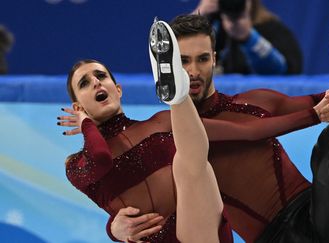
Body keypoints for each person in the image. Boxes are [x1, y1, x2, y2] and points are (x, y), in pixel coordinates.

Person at [109, 15, 329, 243]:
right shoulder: (166, 130)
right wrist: (113, 226)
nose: (193, 70)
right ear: (168, 67)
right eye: (182, 61)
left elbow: (326, 101)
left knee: (328, 154)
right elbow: (246, 133)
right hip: (275, 239)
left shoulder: (255, 101)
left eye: (202, 59)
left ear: (215, 59)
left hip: (326, 214)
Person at [60, 20, 235, 243]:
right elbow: (101, 158)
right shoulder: (77, 165)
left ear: (119, 89)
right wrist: (86, 124)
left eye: (101, 76)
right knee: (189, 161)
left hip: (203, 230)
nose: (96, 82)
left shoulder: (163, 123)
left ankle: (176, 93)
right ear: (78, 108)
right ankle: (176, 92)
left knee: (192, 163)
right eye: (85, 83)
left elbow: (227, 136)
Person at [193, 0, 302, 75]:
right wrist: (199, 15)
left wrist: (249, 38)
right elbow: (179, 59)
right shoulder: (209, 28)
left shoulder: (273, 29)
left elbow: (286, 73)